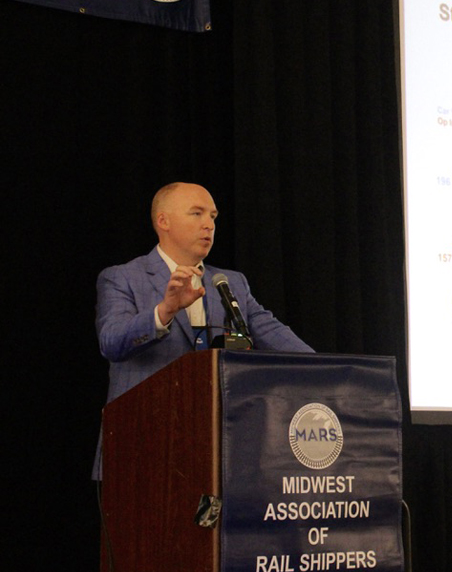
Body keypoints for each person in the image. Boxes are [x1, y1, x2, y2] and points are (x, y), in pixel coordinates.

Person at [93, 182, 313, 478]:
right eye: (196, 213)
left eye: (213, 216)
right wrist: (165, 310)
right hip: (140, 449)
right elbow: (111, 342)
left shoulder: (229, 282)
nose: (208, 224)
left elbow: (273, 334)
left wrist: (322, 367)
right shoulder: (123, 277)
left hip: (214, 451)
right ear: (163, 221)